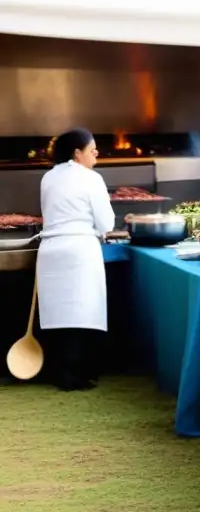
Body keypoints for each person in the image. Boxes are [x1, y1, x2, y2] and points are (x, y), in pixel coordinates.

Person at [37, 128, 116, 391]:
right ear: (77, 153)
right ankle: (80, 374)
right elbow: (106, 222)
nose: (96, 152)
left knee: (57, 313)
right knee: (84, 311)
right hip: (80, 249)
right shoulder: (91, 178)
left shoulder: (48, 177)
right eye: (91, 148)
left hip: (50, 250)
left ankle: (59, 371)